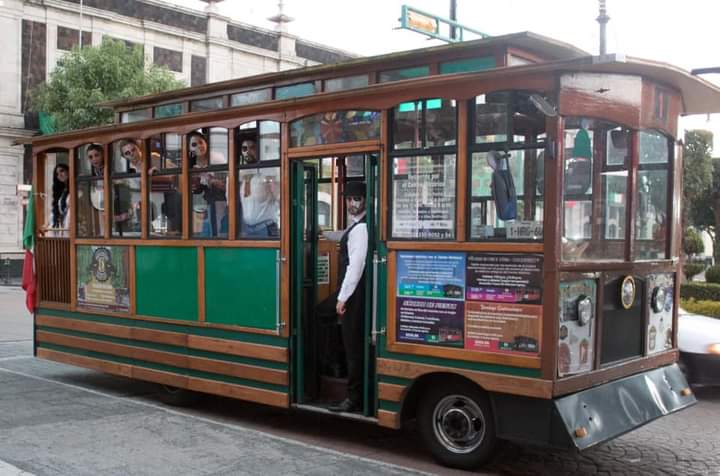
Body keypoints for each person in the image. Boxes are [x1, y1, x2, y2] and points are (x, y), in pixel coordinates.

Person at [326, 181, 369, 413]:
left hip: (355, 295)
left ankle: (353, 397)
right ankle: (336, 366)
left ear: (365, 200)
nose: (352, 203)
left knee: (353, 346)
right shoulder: (356, 226)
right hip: (353, 293)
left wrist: (342, 298)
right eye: (349, 199)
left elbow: (356, 266)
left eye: (357, 199)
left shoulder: (361, 229)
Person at [189, 132, 227, 237]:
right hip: (202, 205)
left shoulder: (216, 159)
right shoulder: (191, 163)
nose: (199, 146)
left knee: (212, 233)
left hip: (219, 202)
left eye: (201, 142)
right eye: (194, 145)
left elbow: (226, 185)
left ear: (206, 143)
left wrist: (206, 175)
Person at [48, 163, 69, 236]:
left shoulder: (77, 187)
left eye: (62, 171)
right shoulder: (62, 191)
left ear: (68, 171)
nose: (59, 175)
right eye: (57, 174)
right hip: (63, 227)